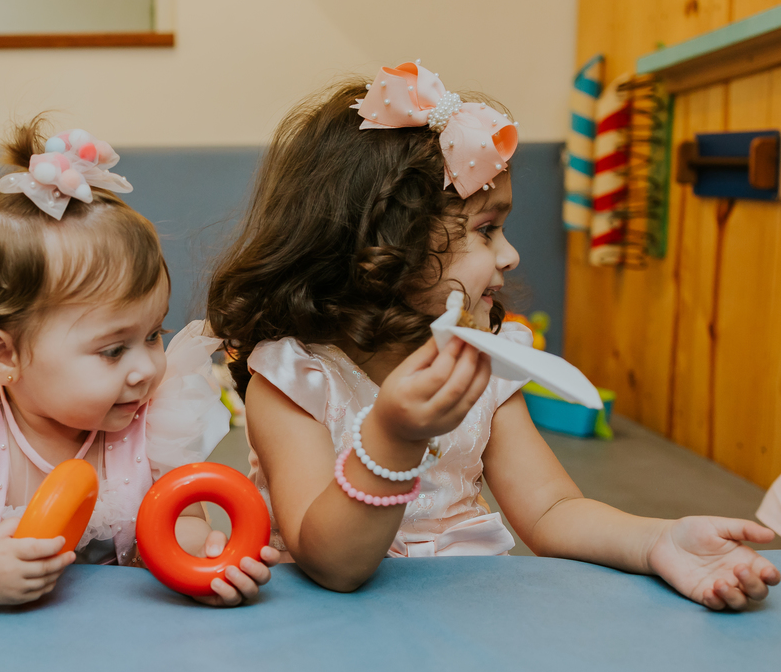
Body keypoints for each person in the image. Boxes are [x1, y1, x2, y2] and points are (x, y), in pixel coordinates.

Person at [206, 61, 778, 610]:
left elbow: (551, 510)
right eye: (486, 230)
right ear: (385, 246)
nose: (510, 255)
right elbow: (334, 565)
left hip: (463, 620)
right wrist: (393, 436)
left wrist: (657, 542)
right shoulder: (295, 379)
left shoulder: (482, 367)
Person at [0, 120, 278, 607]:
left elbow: (182, 518)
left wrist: (199, 561)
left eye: (153, 335)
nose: (145, 369)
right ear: (2, 355)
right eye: (112, 350)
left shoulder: (156, 420)